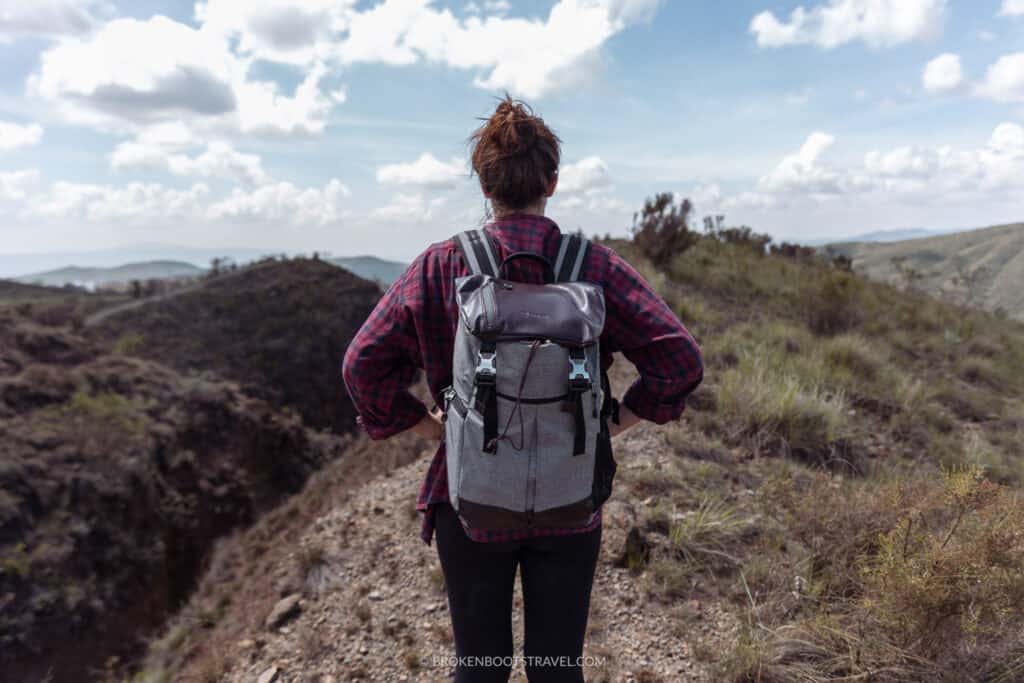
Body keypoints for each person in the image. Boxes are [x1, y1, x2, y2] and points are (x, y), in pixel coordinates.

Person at [342, 94, 703, 683]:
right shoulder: (596, 268)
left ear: (484, 185)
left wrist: (439, 431)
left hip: (472, 502)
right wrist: (610, 425)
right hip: (570, 498)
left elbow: (361, 366)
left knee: (479, 666)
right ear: (553, 183)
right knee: (557, 668)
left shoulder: (439, 267)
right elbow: (680, 360)